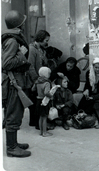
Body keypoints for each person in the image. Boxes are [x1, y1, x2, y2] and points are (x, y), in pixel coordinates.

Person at [2, 10, 31, 157]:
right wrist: (21, 54)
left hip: (17, 81)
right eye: (22, 22)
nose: (24, 24)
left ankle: (14, 143)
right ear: (18, 24)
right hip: (14, 83)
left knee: (16, 113)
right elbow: (6, 64)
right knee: (13, 114)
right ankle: (11, 147)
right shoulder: (12, 40)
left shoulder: (14, 38)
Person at [28, 30, 50, 128]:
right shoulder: (32, 49)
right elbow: (30, 66)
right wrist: (36, 80)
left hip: (40, 79)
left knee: (37, 101)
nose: (47, 42)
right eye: (46, 40)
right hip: (35, 80)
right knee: (35, 102)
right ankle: (36, 123)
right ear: (40, 39)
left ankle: (36, 122)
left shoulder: (40, 49)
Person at [31, 67, 59, 137]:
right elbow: (46, 92)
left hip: (38, 100)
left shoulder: (37, 81)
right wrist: (51, 96)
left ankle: (41, 131)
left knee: (40, 117)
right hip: (44, 101)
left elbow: (33, 89)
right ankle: (44, 132)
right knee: (45, 117)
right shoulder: (47, 83)